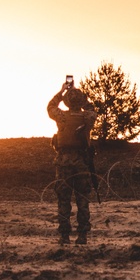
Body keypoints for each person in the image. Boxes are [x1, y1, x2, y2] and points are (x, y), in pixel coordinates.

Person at [47, 81, 98, 246]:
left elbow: (51, 107)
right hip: (82, 162)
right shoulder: (87, 116)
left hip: (63, 162)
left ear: (67, 102)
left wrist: (62, 91)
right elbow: (91, 109)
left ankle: (64, 236)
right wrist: (82, 98)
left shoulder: (61, 117)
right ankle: (82, 236)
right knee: (82, 199)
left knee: (64, 199)